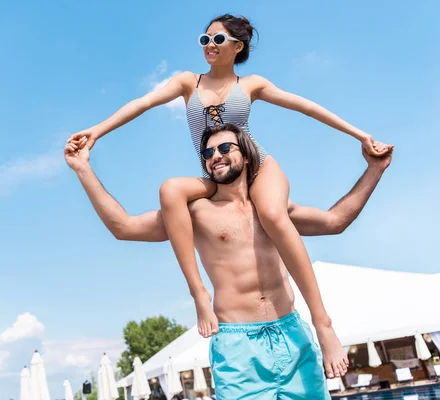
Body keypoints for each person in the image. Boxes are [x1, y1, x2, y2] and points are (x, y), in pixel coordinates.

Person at [68, 14, 390, 377]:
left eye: (217, 40)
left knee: (270, 214)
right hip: (216, 171)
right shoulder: (188, 82)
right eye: (204, 39)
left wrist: (360, 135)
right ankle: (198, 293)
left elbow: (307, 106)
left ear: (238, 46)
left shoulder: (250, 84)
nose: (208, 46)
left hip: (258, 166)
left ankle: (323, 323)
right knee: (171, 189)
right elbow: (141, 103)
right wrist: (97, 132)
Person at [64, 124, 393, 398]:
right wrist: (83, 168)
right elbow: (124, 227)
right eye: (207, 153)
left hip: (292, 335)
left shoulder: (272, 210)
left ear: (247, 156)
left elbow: (336, 221)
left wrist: (374, 169)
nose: (215, 156)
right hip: (238, 346)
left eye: (224, 149)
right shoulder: (197, 212)